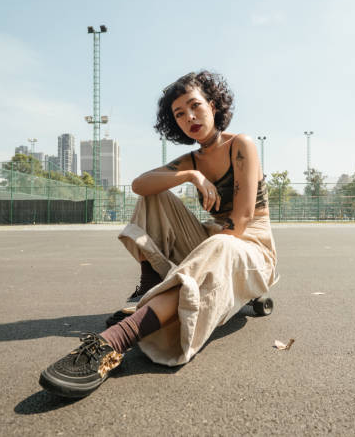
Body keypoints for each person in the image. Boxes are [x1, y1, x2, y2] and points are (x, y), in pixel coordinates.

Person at [39, 71, 278, 398]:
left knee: (222, 242)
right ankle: (149, 291)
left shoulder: (242, 145)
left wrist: (198, 258)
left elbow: (241, 220)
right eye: (179, 114)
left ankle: (115, 341)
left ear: (212, 104)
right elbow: (140, 184)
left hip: (250, 247)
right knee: (157, 193)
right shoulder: (192, 159)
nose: (189, 117)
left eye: (195, 106)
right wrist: (190, 175)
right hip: (213, 241)